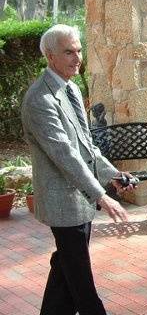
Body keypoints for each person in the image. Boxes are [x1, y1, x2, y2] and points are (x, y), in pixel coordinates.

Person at [21, 24, 134, 315]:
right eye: (69, 52)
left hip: (79, 202)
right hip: (62, 204)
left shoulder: (69, 88)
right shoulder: (39, 100)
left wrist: (113, 175)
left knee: (64, 271)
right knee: (82, 286)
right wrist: (101, 195)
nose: (77, 57)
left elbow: (86, 146)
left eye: (79, 50)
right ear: (50, 56)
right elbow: (65, 156)